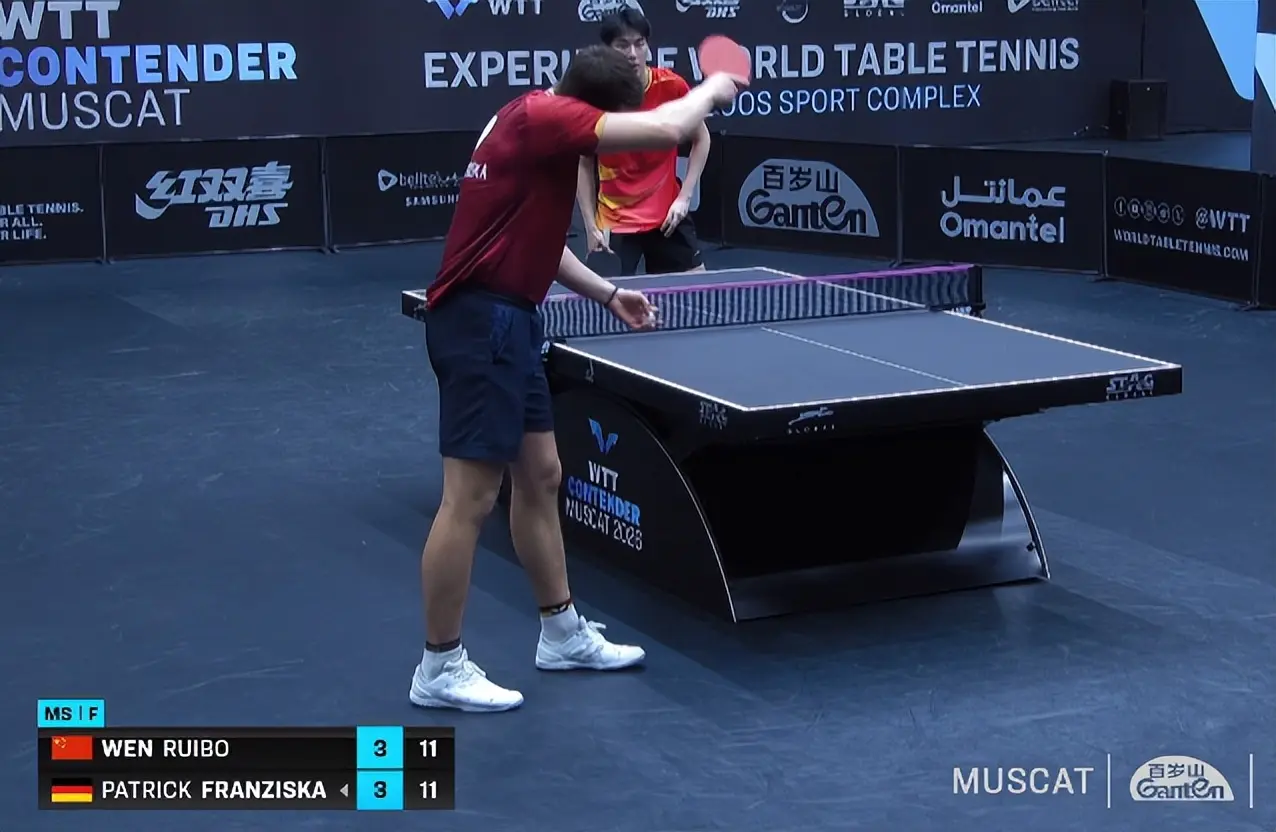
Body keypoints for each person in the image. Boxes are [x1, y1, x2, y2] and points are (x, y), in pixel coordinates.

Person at [411, 44, 744, 713]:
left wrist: (608, 294)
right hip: (479, 324)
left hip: (513, 319)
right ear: (595, 110)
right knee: (470, 498)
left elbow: (537, 241)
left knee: (541, 476)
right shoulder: (549, 118)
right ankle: (438, 666)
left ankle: (561, 634)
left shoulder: (532, 119)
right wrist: (714, 88)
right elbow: (669, 126)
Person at [576, 8, 711, 276]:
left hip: (667, 217)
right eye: (622, 45)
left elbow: (702, 138)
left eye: (639, 44)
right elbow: (583, 163)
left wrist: (684, 197)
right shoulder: (594, 96)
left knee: (698, 292)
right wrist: (591, 226)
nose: (633, 53)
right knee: (607, 298)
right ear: (607, 50)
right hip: (615, 220)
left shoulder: (671, 86)